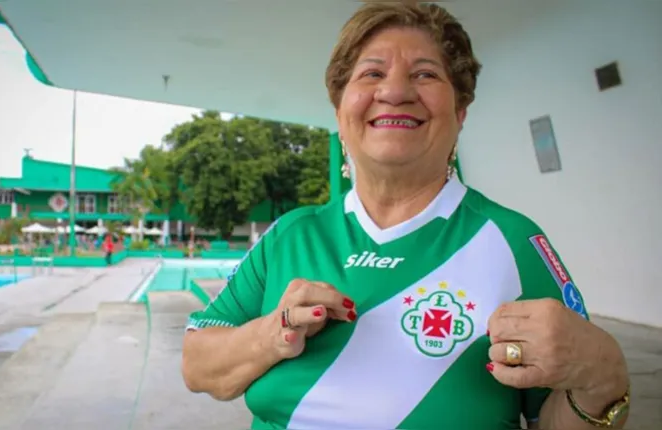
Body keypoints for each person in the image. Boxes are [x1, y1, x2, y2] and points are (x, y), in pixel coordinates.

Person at [181, 2, 630, 429]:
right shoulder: (291, 235)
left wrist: (601, 378)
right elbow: (197, 363)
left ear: (460, 113)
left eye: (425, 74)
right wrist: (271, 334)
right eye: (372, 73)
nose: (395, 92)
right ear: (340, 113)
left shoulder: (513, 241)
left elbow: (554, 418)